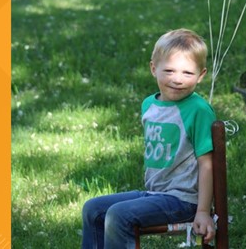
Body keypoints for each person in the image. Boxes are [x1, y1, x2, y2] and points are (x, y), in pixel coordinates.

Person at [81, 29, 217, 248]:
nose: (177, 80)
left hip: (183, 200)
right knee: (93, 209)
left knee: (119, 215)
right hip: (154, 194)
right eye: (169, 71)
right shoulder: (149, 105)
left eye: (187, 73)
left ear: (201, 75)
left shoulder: (198, 110)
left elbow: (207, 164)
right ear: (154, 69)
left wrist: (202, 211)